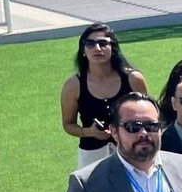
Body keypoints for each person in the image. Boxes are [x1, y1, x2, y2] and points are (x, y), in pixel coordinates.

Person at [61, 24, 148, 169]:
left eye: (103, 43)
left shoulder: (134, 79)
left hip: (131, 150)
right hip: (92, 155)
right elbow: (68, 124)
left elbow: (148, 116)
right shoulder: (73, 85)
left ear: (113, 48)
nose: (97, 48)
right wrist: (89, 132)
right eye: (90, 43)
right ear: (83, 50)